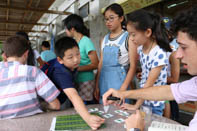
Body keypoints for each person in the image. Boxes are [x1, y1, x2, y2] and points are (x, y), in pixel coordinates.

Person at [103, 7, 197, 131]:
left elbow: (160, 88)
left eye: (183, 47)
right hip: (147, 101)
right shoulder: (194, 84)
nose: (178, 55)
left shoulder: (158, 53)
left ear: (147, 32)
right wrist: (122, 94)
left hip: (154, 105)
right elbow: (167, 91)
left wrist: (135, 127)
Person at [42, 36, 105, 130]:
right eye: (70, 57)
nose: (76, 59)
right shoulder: (60, 71)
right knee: (55, 110)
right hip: (47, 98)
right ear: (60, 60)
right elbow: (72, 95)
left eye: (78, 54)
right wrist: (88, 118)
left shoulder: (70, 65)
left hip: (60, 93)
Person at [120, 9, 172, 116]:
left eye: (133, 34)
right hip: (145, 100)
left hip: (155, 102)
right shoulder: (141, 49)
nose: (131, 39)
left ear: (148, 32)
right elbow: (148, 75)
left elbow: (148, 85)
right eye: (129, 35)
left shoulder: (159, 53)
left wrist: (135, 105)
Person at [0, 36, 60, 119]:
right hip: (32, 123)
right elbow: (55, 105)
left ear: (5, 55)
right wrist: (39, 105)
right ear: (26, 54)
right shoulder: (33, 72)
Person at [95, 3, 138, 103]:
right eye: (106, 19)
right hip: (104, 81)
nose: (108, 22)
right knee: (106, 111)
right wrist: (96, 85)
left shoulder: (129, 37)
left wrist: (122, 89)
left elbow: (133, 66)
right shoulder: (104, 40)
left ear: (121, 18)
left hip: (121, 82)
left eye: (111, 18)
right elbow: (101, 63)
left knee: (121, 112)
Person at [63, 14, 99, 104]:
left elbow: (96, 64)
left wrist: (76, 68)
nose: (65, 31)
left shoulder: (86, 41)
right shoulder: (75, 42)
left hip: (86, 81)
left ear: (72, 29)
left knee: (85, 107)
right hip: (77, 80)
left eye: (66, 28)